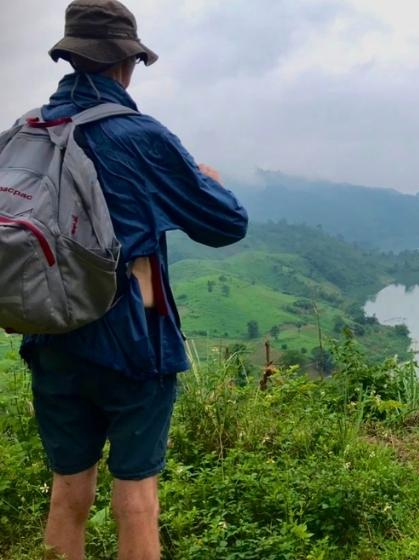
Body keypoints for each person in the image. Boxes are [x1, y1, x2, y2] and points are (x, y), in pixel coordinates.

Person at [19, 1, 249, 559]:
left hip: (49, 334)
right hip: (131, 342)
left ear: (71, 58)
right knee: (137, 497)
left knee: (67, 491)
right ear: (127, 64)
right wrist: (203, 179)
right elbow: (226, 224)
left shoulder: (28, 131)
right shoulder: (139, 136)